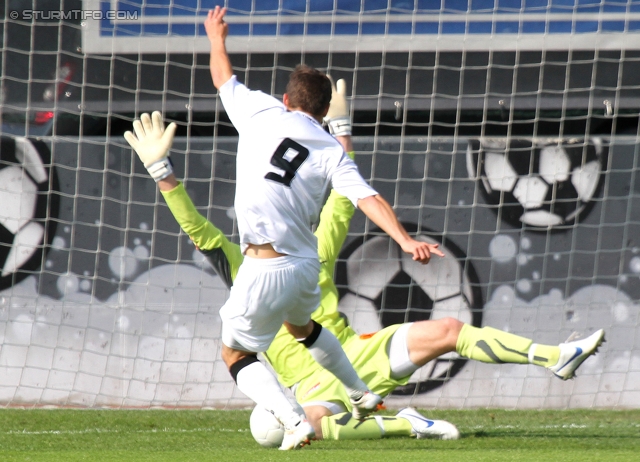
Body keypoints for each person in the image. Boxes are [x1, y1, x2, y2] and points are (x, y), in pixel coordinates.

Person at [124, 104, 605, 445]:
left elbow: (339, 195)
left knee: (449, 330)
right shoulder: (277, 255)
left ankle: (555, 356)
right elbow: (204, 226)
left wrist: (340, 131)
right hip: (317, 384)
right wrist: (338, 130)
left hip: (359, 356)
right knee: (313, 424)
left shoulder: (297, 251)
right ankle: (406, 423)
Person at [198, 5, 446, 450]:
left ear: (288, 100)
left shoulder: (261, 112)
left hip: (265, 263)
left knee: (234, 353)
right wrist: (405, 240)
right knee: (302, 329)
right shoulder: (331, 149)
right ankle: (360, 392)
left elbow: (223, 78)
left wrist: (217, 38)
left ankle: (294, 421)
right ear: (326, 110)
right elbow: (366, 197)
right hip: (304, 265)